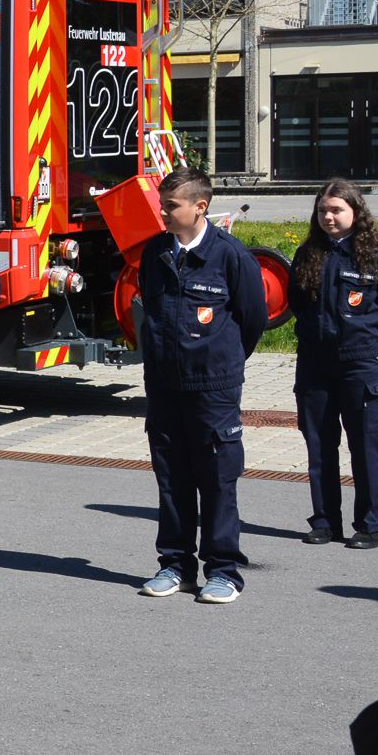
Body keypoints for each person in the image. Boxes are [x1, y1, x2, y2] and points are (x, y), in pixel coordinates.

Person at [135, 167, 268, 603]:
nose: (162, 213)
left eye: (170, 206)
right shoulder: (155, 253)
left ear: (200, 206)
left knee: (217, 479)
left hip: (213, 389)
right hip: (165, 387)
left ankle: (224, 571)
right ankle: (175, 566)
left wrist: (219, 362)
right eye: (162, 204)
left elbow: (253, 320)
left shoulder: (230, 256)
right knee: (171, 479)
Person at [290, 178, 378, 550]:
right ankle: (325, 521)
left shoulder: (377, 255)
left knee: (365, 447)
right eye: (322, 210)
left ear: (355, 212)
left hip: (360, 365)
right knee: (319, 447)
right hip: (315, 364)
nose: (328, 217)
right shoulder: (308, 253)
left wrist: (371, 343)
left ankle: (371, 524)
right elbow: (298, 302)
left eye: (336, 210)